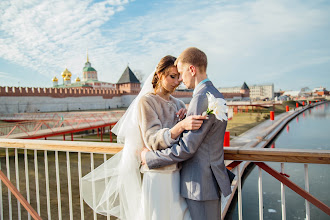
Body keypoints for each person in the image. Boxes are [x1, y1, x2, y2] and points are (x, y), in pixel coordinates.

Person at [81, 55, 206, 220]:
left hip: (180, 173)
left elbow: (186, 141)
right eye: (172, 76)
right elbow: (153, 140)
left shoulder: (179, 104)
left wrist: (185, 118)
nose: (177, 82)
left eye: (179, 77)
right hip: (158, 175)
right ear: (159, 75)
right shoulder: (146, 102)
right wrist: (180, 126)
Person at [141, 47, 234, 220]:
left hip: (199, 183)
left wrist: (150, 159)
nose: (180, 80)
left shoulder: (200, 98)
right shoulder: (214, 94)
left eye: (181, 73)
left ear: (192, 70)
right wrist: (180, 123)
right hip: (207, 179)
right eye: (174, 76)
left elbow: (186, 148)